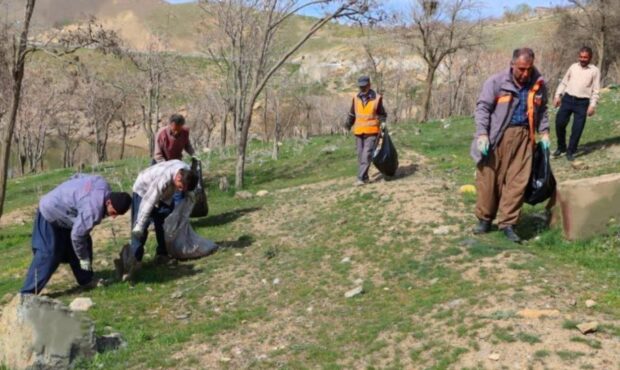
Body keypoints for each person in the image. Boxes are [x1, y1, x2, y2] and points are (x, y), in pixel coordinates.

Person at [470, 48, 550, 243]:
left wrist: (545, 132)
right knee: (489, 180)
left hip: (524, 137)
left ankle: (508, 223)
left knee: (518, 182)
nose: (525, 74)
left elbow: (542, 109)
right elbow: (483, 108)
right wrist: (482, 134)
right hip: (496, 137)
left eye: (528, 69)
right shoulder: (496, 82)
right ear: (512, 64)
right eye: (521, 69)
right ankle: (485, 219)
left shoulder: (538, 84)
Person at [21, 174, 131, 294]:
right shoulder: (92, 210)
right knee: (49, 254)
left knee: (84, 244)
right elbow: (77, 236)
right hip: (49, 211)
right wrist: (83, 259)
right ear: (108, 202)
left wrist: (70, 195)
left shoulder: (102, 183)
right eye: (113, 212)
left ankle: (86, 280)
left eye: (117, 215)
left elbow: (76, 176)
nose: (113, 217)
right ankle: (27, 293)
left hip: (66, 213)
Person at [121, 159, 198, 281]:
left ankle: (162, 254)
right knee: (141, 227)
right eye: (180, 187)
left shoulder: (187, 174)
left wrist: (184, 219)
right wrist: (140, 225)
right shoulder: (164, 178)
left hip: (165, 195)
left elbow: (190, 197)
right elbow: (149, 200)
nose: (181, 190)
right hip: (143, 190)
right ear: (178, 178)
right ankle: (134, 262)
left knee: (162, 222)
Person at [553, 46, 600, 161]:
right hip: (568, 99)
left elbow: (596, 90)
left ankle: (571, 151)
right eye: (581, 57)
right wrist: (557, 95)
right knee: (559, 122)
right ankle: (561, 147)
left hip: (582, 103)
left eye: (585, 57)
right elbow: (564, 82)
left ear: (590, 57)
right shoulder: (573, 67)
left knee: (577, 129)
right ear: (578, 56)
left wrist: (592, 105)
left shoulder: (594, 71)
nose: (583, 59)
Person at [346, 76, 387, 186]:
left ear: (369, 85)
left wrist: (383, 123)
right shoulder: (355, 98)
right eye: (361, 87)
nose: (362, 88)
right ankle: (365, 177)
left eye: (364, 86)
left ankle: (360, 178)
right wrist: (347, 125)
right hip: (359, 131)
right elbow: (352, 114)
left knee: (366, 155)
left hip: (372, 131)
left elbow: (382, 114)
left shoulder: (377, 98)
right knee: (360, 156)